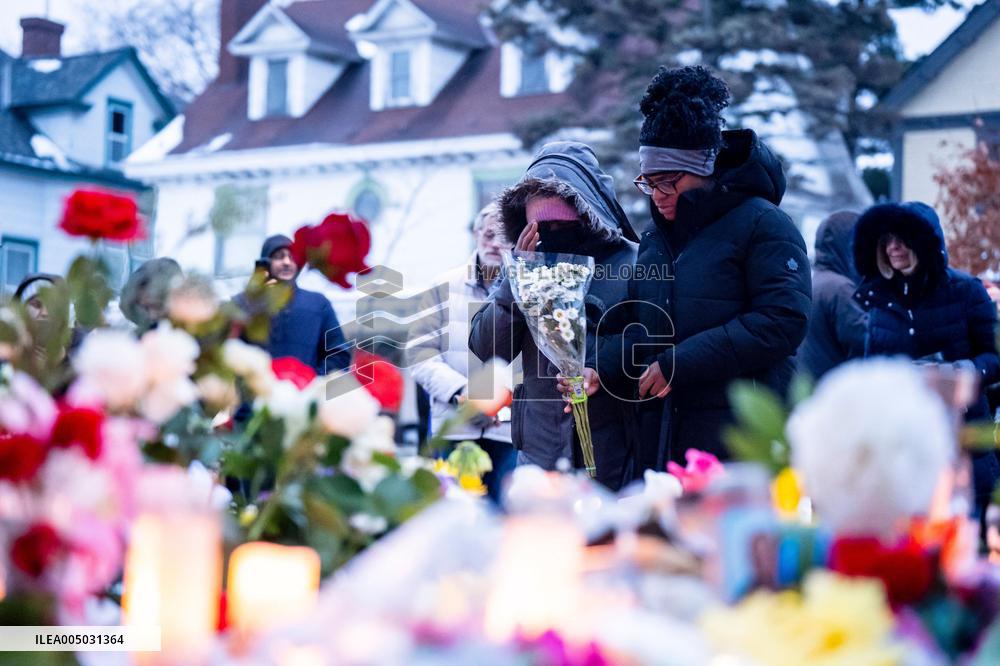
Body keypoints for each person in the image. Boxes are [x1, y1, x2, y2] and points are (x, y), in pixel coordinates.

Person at [627, 66, 811, 474]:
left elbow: (783, 321)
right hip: (665, 438)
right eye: (649, 183)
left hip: (743, 437)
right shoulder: (655, 240)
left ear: (703, 170)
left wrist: (681, 362)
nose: (657, 196)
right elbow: (638, 327)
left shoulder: (765, 223)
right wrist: (596, 367)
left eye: (669, 182)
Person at [469, 140, 639, 490]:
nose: (553, 235)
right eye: (541, 225)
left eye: (563, 222)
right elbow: (487, 349)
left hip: (615, 447)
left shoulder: (633, 261)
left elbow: (651, 341)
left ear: (589, 211)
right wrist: (515, 281)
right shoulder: (523, 264)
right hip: (541, 450)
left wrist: (598, 366)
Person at [852, 201, 1000, 511]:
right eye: (886, 240)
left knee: (970, 540)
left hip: (964, 441)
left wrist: (965, 372)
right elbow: (869, 371)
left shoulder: (965, 291)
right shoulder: (879, 300)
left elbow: (996, 354)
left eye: (902, 238)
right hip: (906, 444)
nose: (893, 247)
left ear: (924, 242)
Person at [410, 204, 516, 501]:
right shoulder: (442, 286)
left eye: (505, 236)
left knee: (503, 522)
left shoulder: (526, 291)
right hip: (454, 427)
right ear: (476, 233)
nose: (495, 243)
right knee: (452, 518)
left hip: (507, 431)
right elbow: (419, 354)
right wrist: (461, 393)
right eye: (490, 234)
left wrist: (501, 400)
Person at [236, 234, 350, 375]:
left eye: (292, 257)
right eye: (278, 256)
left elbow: (339, 355)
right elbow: (228, 352)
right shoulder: (242, 303)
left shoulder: (318, 304)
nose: (287, 262)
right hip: (256, 393)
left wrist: (311, 381)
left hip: (304, 394)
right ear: (264, 262)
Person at [798, 211, 867, 380]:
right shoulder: (840, 288)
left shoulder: (815, 282)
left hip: (809, 390)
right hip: (832, 391)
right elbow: (868, 342)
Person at [120, 257, 183, 333]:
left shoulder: (174, 297)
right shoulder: (128, 300)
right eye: (146, 308)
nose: (152, 314)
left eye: (156, 307)